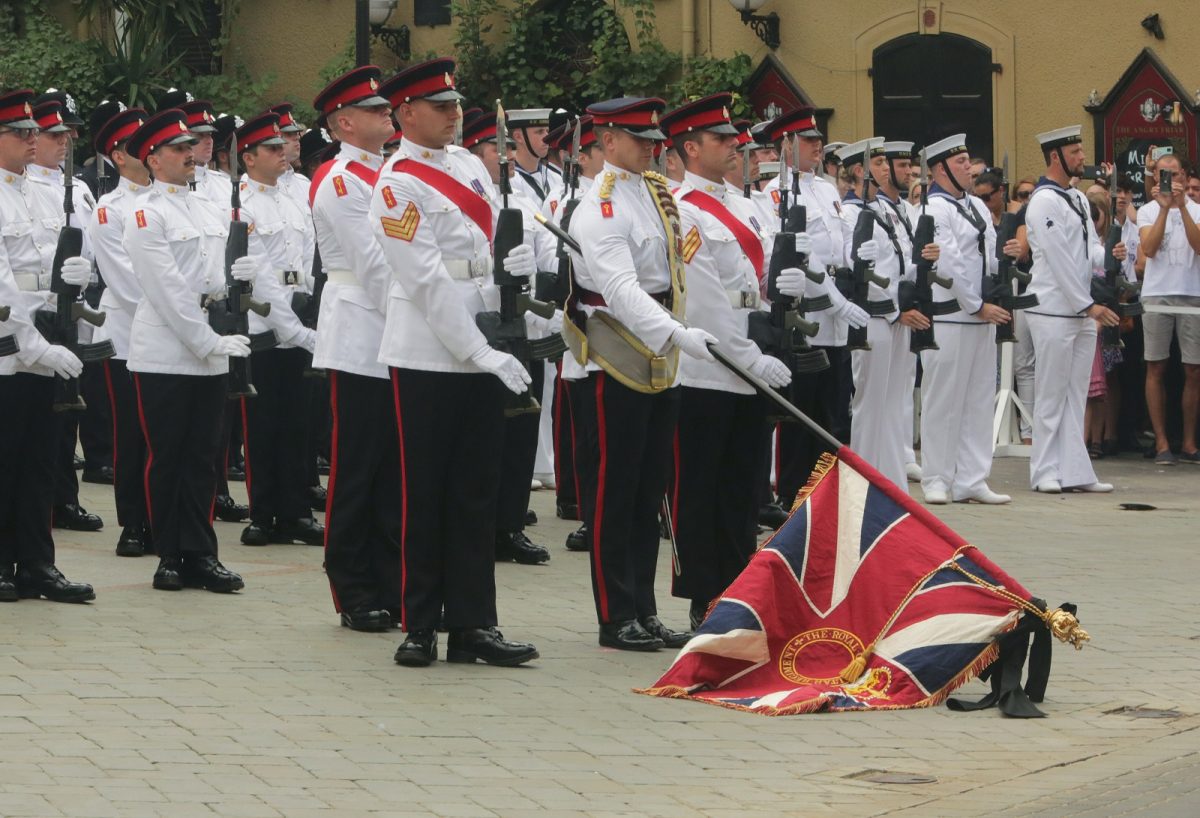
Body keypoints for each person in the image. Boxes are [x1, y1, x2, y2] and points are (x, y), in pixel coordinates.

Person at [373, 58, 540, 667]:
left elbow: (488, 245)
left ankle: (474, 624)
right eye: (440, 107)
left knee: (477, 490)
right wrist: (478, 349)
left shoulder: (469, 165)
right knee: (425, 492)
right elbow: (423, 280)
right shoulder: (396, 183)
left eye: (454, 106)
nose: (452, 115)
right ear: (406, 113)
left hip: (485, 341)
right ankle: (420, 622)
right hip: (428, 350)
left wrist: (512, 271)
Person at [563, 96, 713, 651]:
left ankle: (645, 609)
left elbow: (671, 271)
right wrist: (677, 333)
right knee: (613, 492)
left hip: (659, 351)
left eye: (655, 140)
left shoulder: (653, 192)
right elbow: (623, 291)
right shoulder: (600, 206)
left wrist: (677, 330)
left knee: (649, 492)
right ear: (607, 142)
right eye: (639, 139)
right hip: (616, 354)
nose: (653, 148)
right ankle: (615, 612)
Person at [663, 94, 792, 629]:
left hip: (752, 352)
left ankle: (741, 590)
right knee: (700, 486)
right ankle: (703, 595)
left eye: (733, 137)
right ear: (691, 148)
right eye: (720, 139)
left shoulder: (746, 204)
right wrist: (746, 356)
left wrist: (786, 290)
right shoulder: (682, 207)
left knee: (743, 486)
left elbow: (751, 281)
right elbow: (704, 297)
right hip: (708, 365)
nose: (734, 145)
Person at [123, 108, 250, 593]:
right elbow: (167, 291)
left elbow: (218, 275)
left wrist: (238, 282)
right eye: (178, 148)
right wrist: (207, 341)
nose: (189, 154)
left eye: (190, 146)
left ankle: (201, 553)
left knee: (204, 456)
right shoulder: (144, 212)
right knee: (168, 455)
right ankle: (168, 554)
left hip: (211, 340)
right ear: (153, 159)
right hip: (167, 348)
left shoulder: (208, 208)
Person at [309, 65, 403, 632]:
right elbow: (373, 266)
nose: (386, 114)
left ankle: (391, 582)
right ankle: (353, 586)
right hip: (363, 331)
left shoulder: (386, 171)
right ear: (344, 123)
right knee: (360, 467)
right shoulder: (342, 179)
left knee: (393, 469)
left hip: (398, 333)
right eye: (373, 110)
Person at [0, 87, 95, 603]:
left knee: (42, 461)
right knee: (5, 459)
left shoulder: (40, 192)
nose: (33, 140)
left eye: (34, 131)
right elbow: (2, 291)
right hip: (8, 352)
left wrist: (73, 278)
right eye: (20, 133)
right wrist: (36, 347)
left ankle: (36, 562)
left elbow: (48, 270)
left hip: (47, 340)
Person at [461, 106, 554, 567]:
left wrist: (538, 279)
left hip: (527, 326)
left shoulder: (526, 198)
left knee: (521, 431)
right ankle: (486, 525)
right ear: (476, 154)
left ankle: (511, 524)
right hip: (489, 328)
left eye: (510, 147)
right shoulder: (470, 197)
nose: (508, 155)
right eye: (498, 148)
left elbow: (549, 251)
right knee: (490, 435)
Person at [233, 112, 324, 546]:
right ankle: (263, 512)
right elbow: (259, 273)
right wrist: (290, 327)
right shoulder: (241, 204)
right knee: (263, 423)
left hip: (298, 316)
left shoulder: (294, 198)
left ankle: (295, 511)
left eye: (281, 145)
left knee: (297, 422)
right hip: (263, 324)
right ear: (248, 158)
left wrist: (305, 308)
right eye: (271, 148)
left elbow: (306, 258)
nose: (282, 152)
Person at [1024, 126, 1119, 493]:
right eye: (1075, 152)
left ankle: (1075, 470)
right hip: (1053, 310)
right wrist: (1088, 304)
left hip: (1079, 312)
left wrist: (1110, 255)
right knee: (1051, 393)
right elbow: (1060, 259)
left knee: (1075, 394)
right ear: (1055, 157)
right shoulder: (1043, 200)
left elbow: (1088, 249)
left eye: (1080, 150)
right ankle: (1044, 471)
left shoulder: (1078, 199)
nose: (1082, 157)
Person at [919, 133, 1011, 505]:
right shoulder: (933, 209)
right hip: (951, 316)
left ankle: (972, 477)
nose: (969, 169)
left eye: (968, 161)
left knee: (977, 398)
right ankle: (936, 478)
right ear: (940, 169)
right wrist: (976, 305)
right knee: (943, 400)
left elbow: (985, 256)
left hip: (979, 316)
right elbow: (949, 261)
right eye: (960, 163)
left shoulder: (974, 206)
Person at [28, 97, 106, 533]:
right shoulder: (27, 188)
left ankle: (65, 498)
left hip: (73, 306)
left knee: (69, 408)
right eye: (55, 134)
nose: (66, 141)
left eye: (69, 133)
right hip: (37, 310)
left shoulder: (76, 187)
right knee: (42, 414)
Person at [848, 138, 940, 490]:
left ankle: (889, 480)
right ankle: (863, 481)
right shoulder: (859, 214)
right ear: (862, 171)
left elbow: (900, 265)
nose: (888, 169)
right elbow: (863, 272)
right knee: (871, 405)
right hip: (875, 318)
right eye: (881, 164)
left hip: (896, 317)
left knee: (893, 403)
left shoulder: (891, 212)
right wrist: (895, 311)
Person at [88, 105, 153, 557]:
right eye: (138, 146)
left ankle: (167, 517)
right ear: (119, 156)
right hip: (129, 334)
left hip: (177, 333)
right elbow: (127, 282)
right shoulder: (110, 210)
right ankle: (134, 521)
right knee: (131, 432)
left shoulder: (174, 199)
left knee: (168, 435)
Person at [1136, 151, 1200, 464]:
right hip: (1157, 293)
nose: (1170, 181)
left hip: (1192, 293)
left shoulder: (1198, 210)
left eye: (1175, 175)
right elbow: (1148, 250)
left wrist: (1182, 207)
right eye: (1163, 174)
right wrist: (1163, 210)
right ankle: (1161, 442)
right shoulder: (1147, 210)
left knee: (1193, 369)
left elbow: (1198, 246)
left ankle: (1188, 442)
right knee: (1156, 365)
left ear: (1186, 178)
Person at [508, 107, 561, 203]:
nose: (547, 137)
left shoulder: (556, 178)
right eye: (540, 132)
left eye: (547, 131)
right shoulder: (510, 181)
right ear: (518, 137)